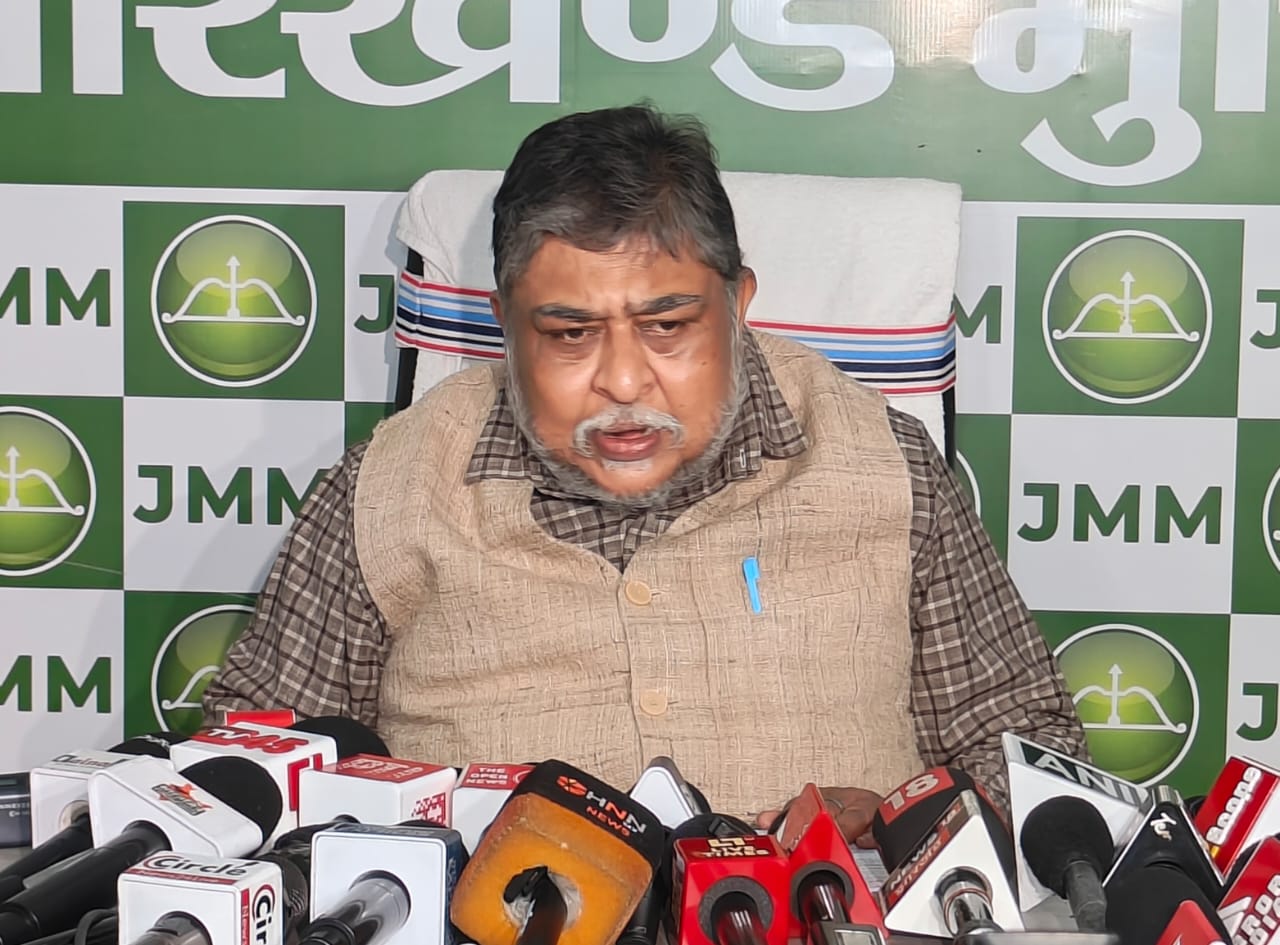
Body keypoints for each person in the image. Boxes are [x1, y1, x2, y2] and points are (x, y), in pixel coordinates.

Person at [204, 104, 1086, 845]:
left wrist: (904, 824)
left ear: (737, 305)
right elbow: (251, 769)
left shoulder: (881, 464)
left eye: (668, 326)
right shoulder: (391, 485)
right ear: (504, 322)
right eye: (568, 333)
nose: (624, 383)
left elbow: (1030, 753)